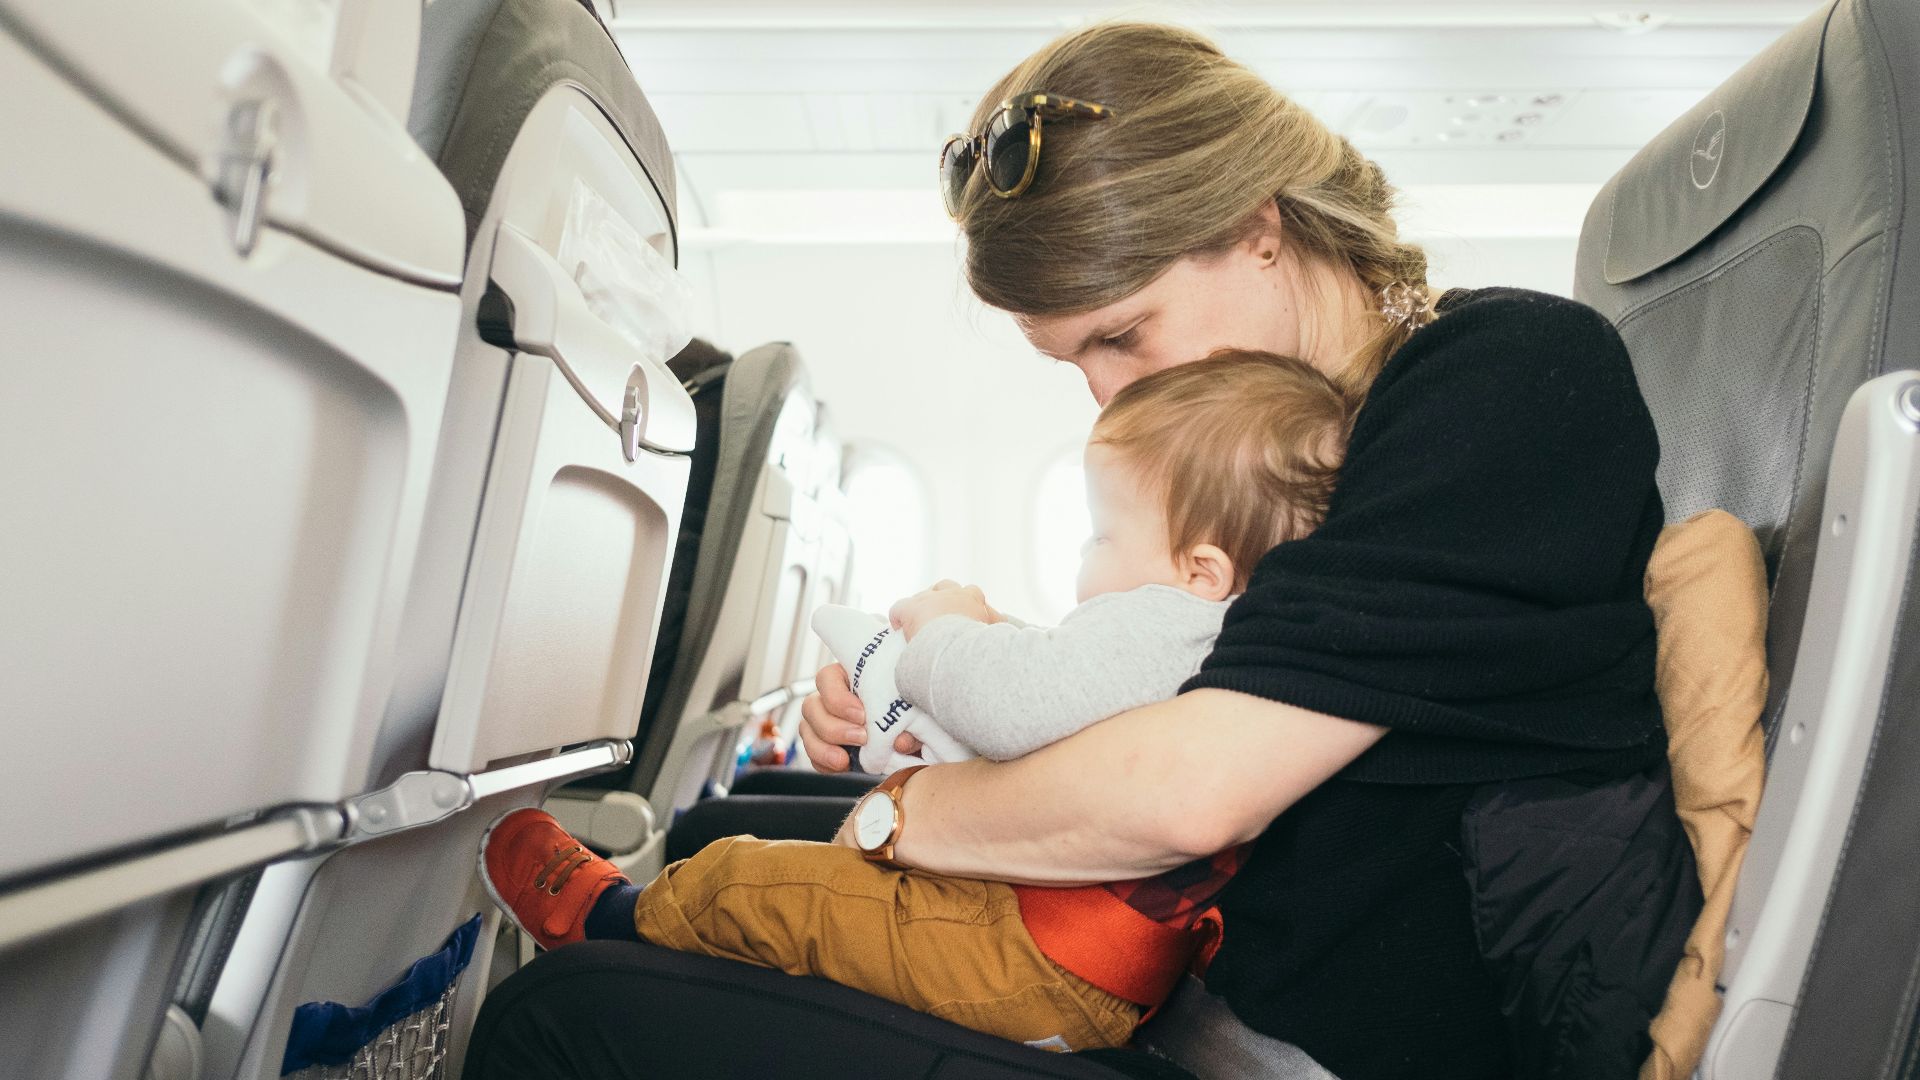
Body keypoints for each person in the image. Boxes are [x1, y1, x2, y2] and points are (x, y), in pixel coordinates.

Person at [465, 21, 1700, 1080]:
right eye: (1075, 364)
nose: (1108, 403)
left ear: (1260, 227)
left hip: (1276, 1048)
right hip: (1166, 1005)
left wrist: (909, 813)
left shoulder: (1502, 381)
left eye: (1124, 334)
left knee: (560, 1024)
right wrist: (939, 685)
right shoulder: (1270, 444)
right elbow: (1194, 677)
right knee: (709, 856)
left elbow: (1188, 790)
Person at [478, 351, 1353, 1052]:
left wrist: (944, 630)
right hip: (1072, 960)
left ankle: (609, 920)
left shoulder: (1170, 620)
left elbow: (1017, 703)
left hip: (1031, 952)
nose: (1088, 560)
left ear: (1200, 568)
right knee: (816, 894)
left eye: (1101, 534)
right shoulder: (1221, 631)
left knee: (759, 880)